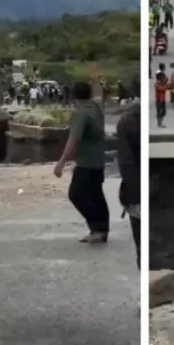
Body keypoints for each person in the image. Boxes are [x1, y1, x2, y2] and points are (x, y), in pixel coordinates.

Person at [54, 82, 109, 244]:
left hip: (86, 162)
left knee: (76, 194)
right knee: (96, 195)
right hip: (98, 161)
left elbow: (74, 140)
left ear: (72, 96)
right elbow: (99, 94)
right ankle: (101, 230)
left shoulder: (82, 115)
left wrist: (61, 162)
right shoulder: (97, 108)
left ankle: (97, 228)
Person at [115, 100, 141, 268]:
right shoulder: (133, 119)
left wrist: (134, 197)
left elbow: (126, 162)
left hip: (137, 191)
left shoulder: (128, 121)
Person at [154, 64, 169, 128]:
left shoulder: (161, 83)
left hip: (162, 98)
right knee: (160, 111)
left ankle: (160, 123)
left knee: (163, 111)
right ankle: (159, 124)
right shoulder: (157, 84)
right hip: (159, 98)